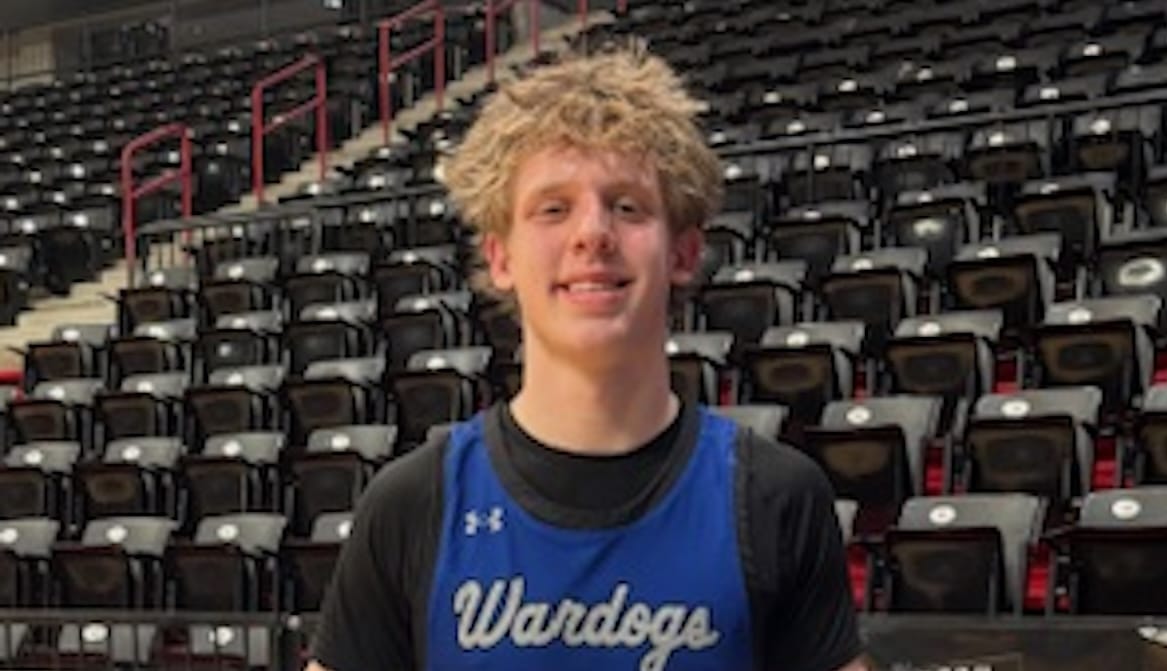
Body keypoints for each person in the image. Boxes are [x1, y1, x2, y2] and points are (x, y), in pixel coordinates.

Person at [308, 44, 866, 671]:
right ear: (501, 258)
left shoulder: (776, 497)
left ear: (683, 253)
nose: (592, 234)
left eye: (627, 206)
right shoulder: (411, 505)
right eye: (553, 208)